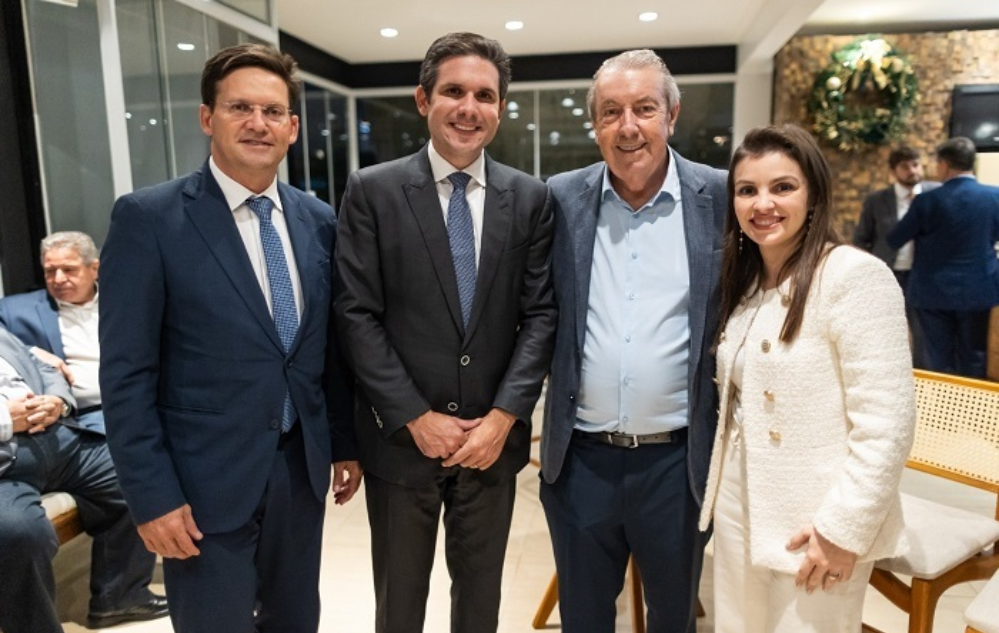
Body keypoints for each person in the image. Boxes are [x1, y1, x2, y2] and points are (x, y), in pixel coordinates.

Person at [98, 43, 359, 633]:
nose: (257, 123)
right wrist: (152, 496)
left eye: (273, 111)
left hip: (298, 470)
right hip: (200, 484)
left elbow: (326, 349)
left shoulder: (318, 220)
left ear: (293, 128)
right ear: (207, 117)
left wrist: (343, 441)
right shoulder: (148, 219)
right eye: (240, 107)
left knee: (297, 620)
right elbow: (126, 375)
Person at [333, 32, 556, 633]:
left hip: (490, 446)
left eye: (485, 95)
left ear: (500, 108)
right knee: (399, 609)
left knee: (480, 608)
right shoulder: (373, 191)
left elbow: (541, 315)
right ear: (422, 99)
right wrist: (413, 415)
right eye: (454, 91)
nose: (468, 108)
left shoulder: (530, 198)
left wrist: (503, 418)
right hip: (402, 445)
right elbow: (355, 313)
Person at [539, 49, 726, 633]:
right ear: (594, 123)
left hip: (678, 465)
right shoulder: (559, 198)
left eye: (644, 108)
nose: (628, 127)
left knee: (674, 619)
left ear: (672, 114)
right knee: (584, 619)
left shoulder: (722, 197)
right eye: (611, 112)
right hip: (581, 463)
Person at [700, 123, 914, 632]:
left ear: (813, 194)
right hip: (739, 499)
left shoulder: (853, 276)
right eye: (747, 190)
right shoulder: (746, 283)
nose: (763, 204)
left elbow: (888, 424)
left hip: (816, 514)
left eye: (782, 187)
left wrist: (844, 528)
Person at [0, 326, 166, 633]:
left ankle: (119, 596)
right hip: (6, 465)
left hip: (56, 437)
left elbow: (37, 363)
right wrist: (6, 418)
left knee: (137, 474)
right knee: (18, 533)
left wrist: (58, 401)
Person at [887, 136, 999, 378]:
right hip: (980, 289)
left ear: (944, 165)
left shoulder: (926, 201)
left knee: (938, 359)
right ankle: (973, 400)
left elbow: (895, 238)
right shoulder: (995, 196)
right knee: (975, 356)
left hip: (932, 292)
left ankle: (942, 401)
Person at [0, 231, 105, 432]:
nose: (58, 279)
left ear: (94, 269)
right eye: (50, 271)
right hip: (75, 418)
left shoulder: (124, 303)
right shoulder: (14, 310)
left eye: (68, 269)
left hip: (138, 405)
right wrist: (31, 351)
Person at [852, 147, 940, 368]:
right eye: (905, 166)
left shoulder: (935, 193)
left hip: (924, 275)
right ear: (893, 171)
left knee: (924, 332)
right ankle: (886, 370)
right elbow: (862, 238)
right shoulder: (877, 200)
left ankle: (922, 376)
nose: (912, 170)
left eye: (915, 164)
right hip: (888, 273)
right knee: (885, 328)